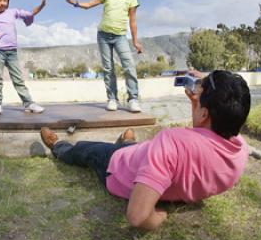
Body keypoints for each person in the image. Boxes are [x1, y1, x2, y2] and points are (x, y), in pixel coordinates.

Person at [40, 69, 250, 231]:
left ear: (204, 114)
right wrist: (200, 101)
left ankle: (59, 147)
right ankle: (126, 143)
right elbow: (200, 138)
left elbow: (137, 216)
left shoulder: (172, 142)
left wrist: (159, 216)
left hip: (117, 167)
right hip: (152, 160)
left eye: (199, 91)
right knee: (138, 148)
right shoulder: (240, 151)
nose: (195, 92)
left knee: (87, 150)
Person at [63, 0, 143, 113]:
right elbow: (88, 5)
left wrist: (135, 41)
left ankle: (133, 99)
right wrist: (71, 1)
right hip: (104, 36)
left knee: (129, 66)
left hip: (120, 37)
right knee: (108, 68)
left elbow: (133, 22)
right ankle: (112, 98)